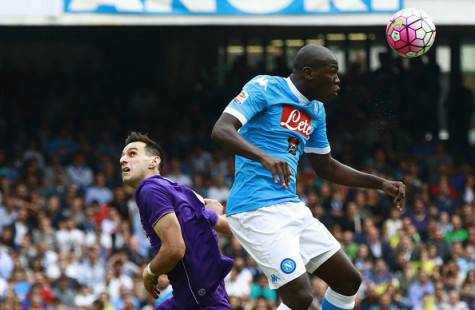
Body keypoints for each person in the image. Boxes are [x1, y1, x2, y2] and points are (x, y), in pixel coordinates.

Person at [211, 44, 405, 310]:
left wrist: (379, 183)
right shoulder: (265, 87)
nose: (338, 79)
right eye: (332, 72)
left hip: (291, 207)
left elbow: (325, 167)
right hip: (255, 209)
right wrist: (263, 156)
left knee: (348, 282)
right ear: (309, 73)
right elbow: (221, 130)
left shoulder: (316, 110)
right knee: (301, 298)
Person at [119, 132, 233, 309]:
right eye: (123, 155)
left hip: (199, 300)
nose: (123, 160)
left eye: (132, 153)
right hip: (197, 295)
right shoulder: (183, 192)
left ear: (154, 161)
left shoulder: (149, 190)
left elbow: (174, 249)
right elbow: (225, 224)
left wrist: (149, 272)